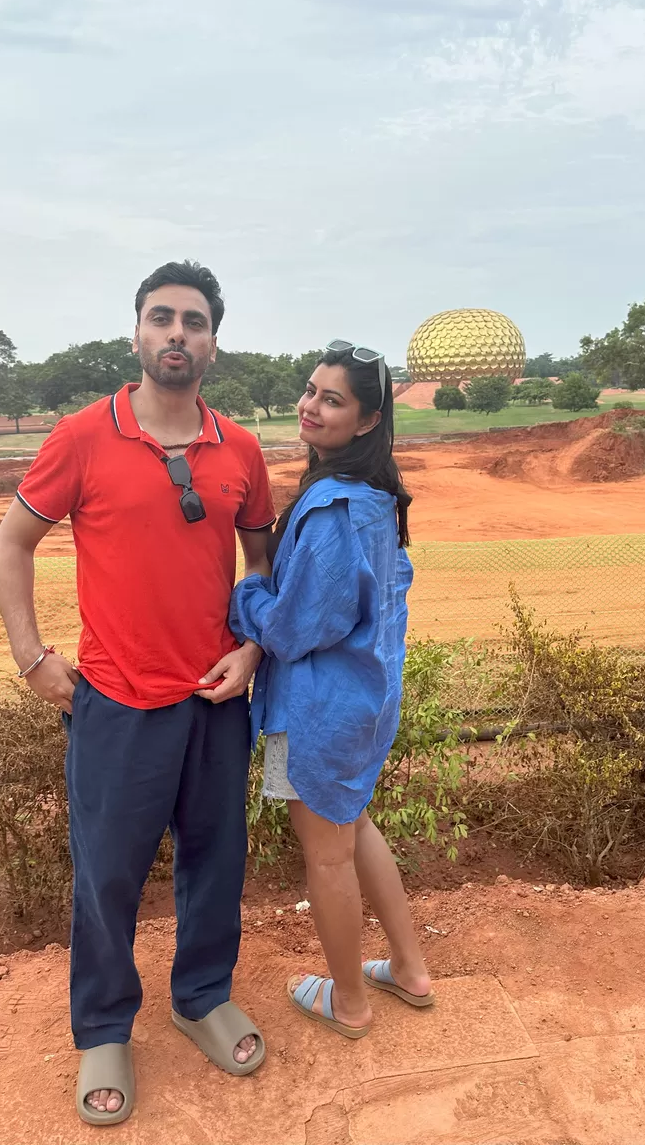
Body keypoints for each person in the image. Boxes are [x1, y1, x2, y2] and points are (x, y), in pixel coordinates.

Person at [0, 261, 275, 1126]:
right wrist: (31, 657)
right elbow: (12, 543)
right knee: (108, 874)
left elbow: (263, 564)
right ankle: (105, 1026)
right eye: (162, 317)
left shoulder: (242, 450)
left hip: (215, 699)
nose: (177, 333)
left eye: (194, 320)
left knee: (216, 860)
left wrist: (253, 649)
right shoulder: (82, 436)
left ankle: (202, 996)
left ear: (213, 342)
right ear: (138, 334)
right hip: (115, 702)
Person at [229, 341, 433, 1040]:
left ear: (368, 420)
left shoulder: (331, 509)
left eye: (333, 399)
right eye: (311, 390)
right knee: (354, 824)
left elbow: (293, 629)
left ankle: (348, 1002)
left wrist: (247, 592)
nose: (311, 406)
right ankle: (408, 968)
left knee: (325, 853)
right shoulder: (376, 499)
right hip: (364, 701)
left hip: (315, 711)